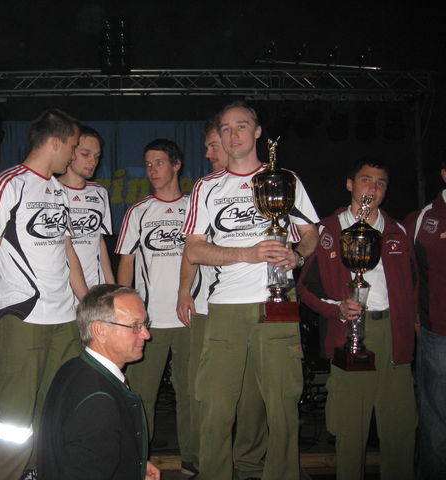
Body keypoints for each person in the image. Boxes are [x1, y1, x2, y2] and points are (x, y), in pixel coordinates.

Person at [182, 101, 319, 480]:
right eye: (225, 128)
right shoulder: (207, 187)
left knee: (282, 407)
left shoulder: (285, 179)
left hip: (277, 303)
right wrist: (247, 253)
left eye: (241, 126)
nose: (233, 134)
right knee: (215, 408)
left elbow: (310, 233)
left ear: (257, 132)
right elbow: (193, 250)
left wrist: (297, 255)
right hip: (225, 308)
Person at [0, 107, 88, 480]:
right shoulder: (8, 184)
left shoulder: (58, 189)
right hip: (24, 318)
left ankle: (36, 472)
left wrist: (87, 307)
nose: (74, 154)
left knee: (52, 410)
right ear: (55, 142)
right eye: (72, 146)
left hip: (64, 320)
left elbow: (68, 252)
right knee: (15, 419)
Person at [298, 158, 417, 480]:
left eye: (381, 183)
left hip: (393, 336)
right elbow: (305, 288)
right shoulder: (327, 231)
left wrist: (412, 324)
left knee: (400, 429)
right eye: (366, 180)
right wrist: (336, 308)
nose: (373, 188)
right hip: (348, 335)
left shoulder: (398, 231)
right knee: (350, 427)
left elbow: (414, 285)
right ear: (350, 184)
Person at [176, 116, 268, 478]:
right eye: (211, 145)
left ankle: (249, 463)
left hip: (255, 300)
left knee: (253, 393)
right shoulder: (207, 189)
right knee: (211, 392)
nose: (210, 153)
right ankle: (206, 463)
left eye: (214, 145)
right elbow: (191, 250)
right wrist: (184, 290)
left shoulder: (267, 184)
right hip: (211, 306)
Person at [115, 138, 193, 471]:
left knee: (191, 395)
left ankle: (194, 460)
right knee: (140, 396)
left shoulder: (195, 207)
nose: (152, 170)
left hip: (190, 318)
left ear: (176, 165)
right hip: (149, 322)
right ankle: (138, 461)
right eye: (148, 164)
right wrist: (125, 312)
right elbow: (127, 262)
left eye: (159, 162)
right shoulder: (138, 211)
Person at [37, 284, 160, 480]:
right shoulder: (99, 401)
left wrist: (133, 464)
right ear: (100, 330)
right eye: (136, 326)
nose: (146, 334)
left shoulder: (73, 368)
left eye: (145, 324)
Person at [404, 160, 446, 480]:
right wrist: (413, 316)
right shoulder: (422, 219)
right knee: (436, 420)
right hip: (438, 336)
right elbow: (406, 273)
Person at [58, 125, 114, 287]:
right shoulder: (49, 190)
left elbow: (100, 242)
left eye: (97, 156)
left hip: (95, 287)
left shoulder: (100, 193)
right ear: (70, 151)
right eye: (85, 154)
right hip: (62, 289)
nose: (93, 161)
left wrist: (112, 287)